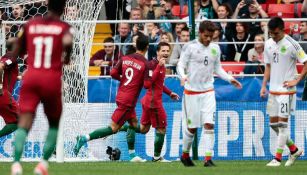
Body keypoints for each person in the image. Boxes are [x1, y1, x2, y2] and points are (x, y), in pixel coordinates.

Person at [11, 0, 74, 174]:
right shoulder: (64, 28)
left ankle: (16, 164)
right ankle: (42, 165)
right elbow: (68, 52)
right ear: (63, 8)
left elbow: (17, 49)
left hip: (31, 76)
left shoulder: (31, 24)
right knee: (54, 123)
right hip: (51, 78)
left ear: (47, 5)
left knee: (24, 122)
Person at [73, 33, 150, 162]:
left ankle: (132, 155)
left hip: (121, 95)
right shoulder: (146, 64)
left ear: (136, 45)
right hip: (128, 100)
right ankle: (84, 138)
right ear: (147, 47)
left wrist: (123, 78)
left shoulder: (125, 58)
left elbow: (112, 72)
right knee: (113, 128)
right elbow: (147, 85)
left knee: (137, 126)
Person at [177, 20, 242, 167]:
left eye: (211, 37)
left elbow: (218, 69)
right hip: (191, 92)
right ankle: (185, 155)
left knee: (209, 124)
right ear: (200, 33)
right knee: (192, 128)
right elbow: (180, 65)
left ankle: (208, 158)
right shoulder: (190, 47)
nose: (208, 39)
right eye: (206, 36)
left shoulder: (215, 49)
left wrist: (230, 79)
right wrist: (183, 76)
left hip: (208, 92)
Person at [260, 17, 306, 167]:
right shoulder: (268, 44)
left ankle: (277, 158)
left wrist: (297, 80)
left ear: (283, 30)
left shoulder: (292, 44)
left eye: (276, 33)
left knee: (282, 125)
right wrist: (263, 86)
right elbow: (268, 66)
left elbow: (306, 62)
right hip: (273, 90)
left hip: (287, 90)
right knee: (273, 125)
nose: (273, 36)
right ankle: (294, 150)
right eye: (271, 33)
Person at [125, 42, 179, 162]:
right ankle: (157, 158)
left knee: (144, 129)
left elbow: (159, 84)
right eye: (163, 51)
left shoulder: (161, 65)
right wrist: (159, 67)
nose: (165, 53)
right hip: (153, 103)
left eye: (167, 51)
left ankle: (123, 127)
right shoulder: (152, 65)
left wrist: (170, 93)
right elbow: (147, 84)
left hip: (149, 101)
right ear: (157, 52)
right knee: (162, 129)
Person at [0, 38, 18, 140]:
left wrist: (19, 77)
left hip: (3, 95)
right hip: (2, 95)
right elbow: (0, 66)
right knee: (17, 122)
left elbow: (8, 72)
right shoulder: (12, 56)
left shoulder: (8, 57)